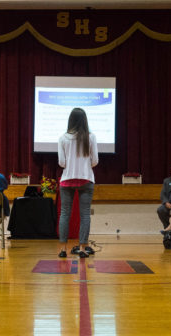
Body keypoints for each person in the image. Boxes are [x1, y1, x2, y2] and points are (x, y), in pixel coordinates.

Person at [56, 108, 99, 258]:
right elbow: (95, 161)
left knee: (64, 214)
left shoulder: (63, 138)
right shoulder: (91, 137)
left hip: (67, 179)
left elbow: (61, 163)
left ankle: (63, 249)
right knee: (85, 214)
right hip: (86, 178)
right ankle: (82, 248)